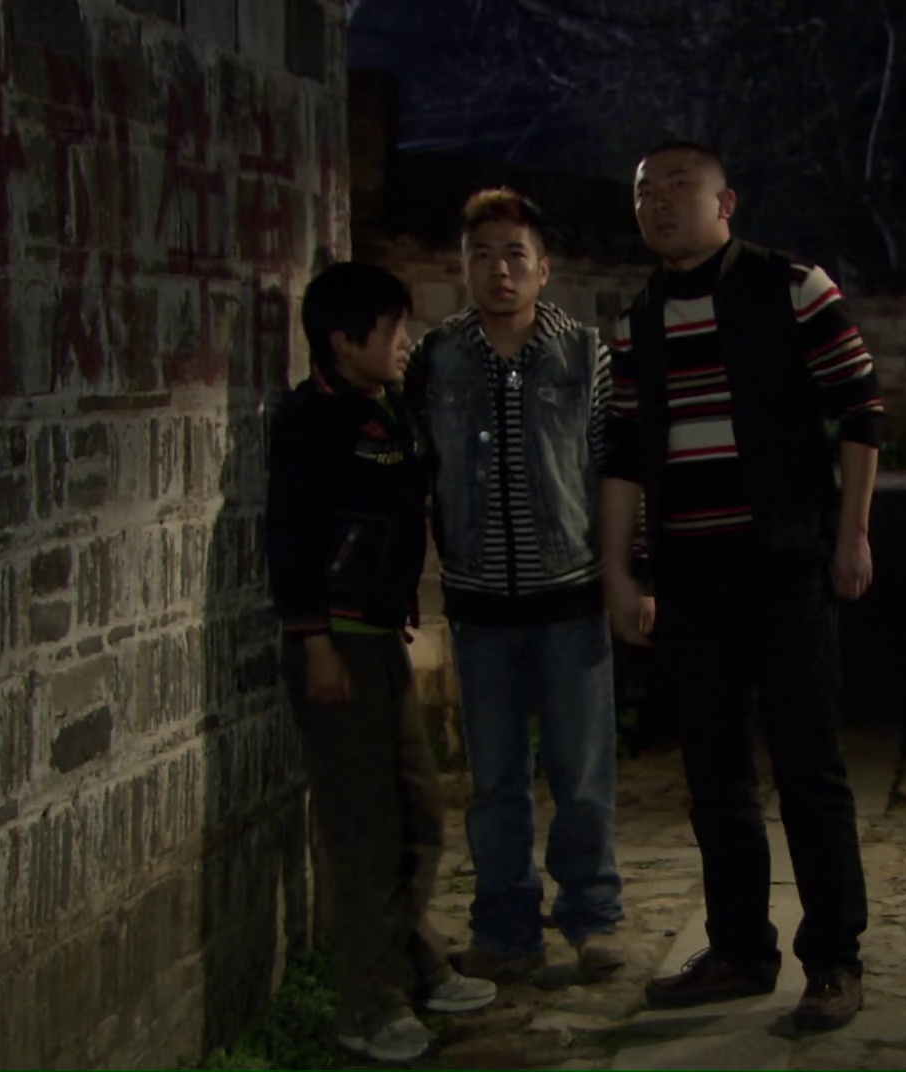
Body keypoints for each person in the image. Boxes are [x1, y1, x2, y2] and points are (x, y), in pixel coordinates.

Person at [600, 142, 883, 1031]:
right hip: (691, 574)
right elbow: (623, 454)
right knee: (714, 774)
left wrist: (852, 534)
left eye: (679, 186)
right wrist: (620, 571)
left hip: (785, 560)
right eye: (645, 191)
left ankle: (833, 959)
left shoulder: (792, 286)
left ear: (726, 203)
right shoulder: (636, 322)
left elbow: (860, 408)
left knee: (809, 768)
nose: (659, 203)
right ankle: (738, 950)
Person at [266, 261, 497, 1063]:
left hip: (380, 638)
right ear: (342, 340)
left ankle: (418, 965)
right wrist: (316, 643)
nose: (405, 341)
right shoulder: (312, 420)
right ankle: (368, 1006)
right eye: (391, 328)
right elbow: (291, 537)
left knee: (417, 814)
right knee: (363, 831)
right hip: (338, 647)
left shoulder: (387, 407)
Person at [404, 188, 627, 985]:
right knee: (495, 782)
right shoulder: (437, 357)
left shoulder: (584, 354)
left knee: (582, 775)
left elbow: (613, 470)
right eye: (482, 255)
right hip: (479, 607)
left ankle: (592, 919)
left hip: (570, 598)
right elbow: (416, 473)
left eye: (514, 255)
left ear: (543, 267)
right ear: (463, 267)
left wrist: (626, 572)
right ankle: (505, 930)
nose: (499, 270)